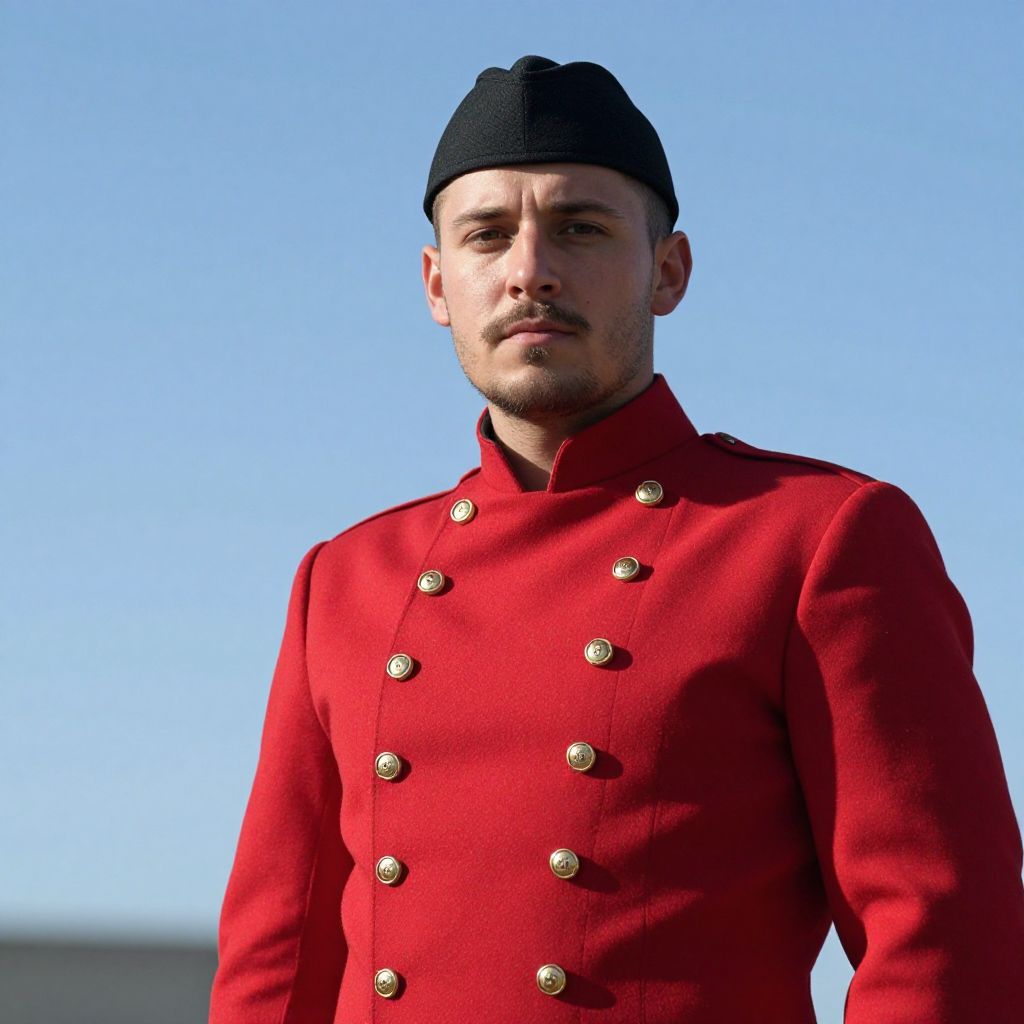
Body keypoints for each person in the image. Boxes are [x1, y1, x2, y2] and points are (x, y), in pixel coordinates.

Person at [208, 56, 1024, 1023]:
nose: (528, 270)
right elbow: (277, 965)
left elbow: (942, 941)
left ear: (668, 271)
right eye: (486, 236)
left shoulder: (817, 540)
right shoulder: (343, 580)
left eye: (580, 228)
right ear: (437, 284)